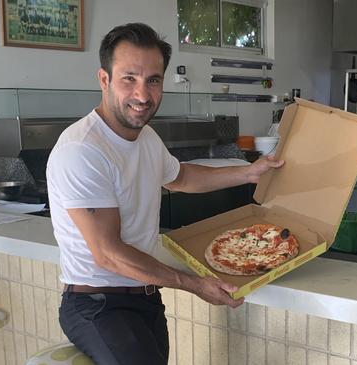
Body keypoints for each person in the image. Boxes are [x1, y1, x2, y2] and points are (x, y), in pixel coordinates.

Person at [46, 23, 283, 365]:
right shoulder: (82, 150)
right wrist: (194, 284)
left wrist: (249, 173)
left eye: (153, 80)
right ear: (104, 79)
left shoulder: (146, 138)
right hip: (97, 305)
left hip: (144, 298)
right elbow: (108, 254)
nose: (143, 95)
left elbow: (181, 177)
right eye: (129, 78)